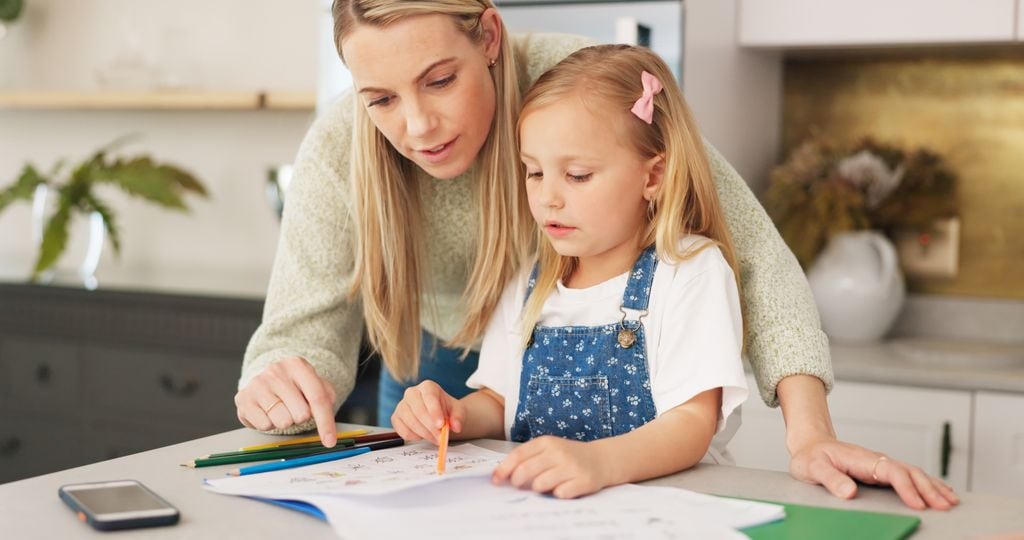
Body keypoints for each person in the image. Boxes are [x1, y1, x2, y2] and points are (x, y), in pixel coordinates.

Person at [235, 0, 958, 510]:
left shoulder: (575, 90)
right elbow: (302, 339)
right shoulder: (340, 149)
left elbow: (753, 258)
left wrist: (809, 435)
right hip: (455, 364)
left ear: (489, 35)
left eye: (440, 80)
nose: (417, 125)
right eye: (380, 100)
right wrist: (279, 389)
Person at [392, 44, 748, 498]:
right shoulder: (530, 282)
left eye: (577, 175)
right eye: (534, 173)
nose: (547, 198)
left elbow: (692, 423)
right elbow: (500, 402)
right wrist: (452, 414)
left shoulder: (690, 271)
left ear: (653, 176)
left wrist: (597, 462)